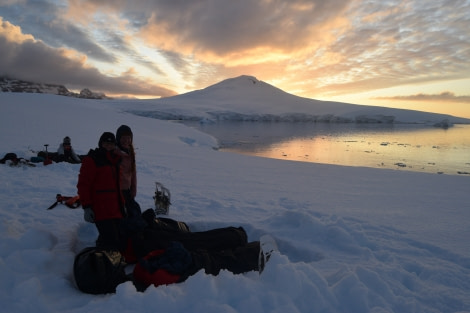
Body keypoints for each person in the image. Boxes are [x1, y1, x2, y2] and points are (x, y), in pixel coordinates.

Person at [77, 132, 127, 251]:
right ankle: (104, 263)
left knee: (119, 239)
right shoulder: (92, 159)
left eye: (111, 144)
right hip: (101, 209)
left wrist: (122, 203)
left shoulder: (116, 161)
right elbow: (83, 185)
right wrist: (87, 207)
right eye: (106, 143)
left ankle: (106, 260)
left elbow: (118, 187)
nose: (108, 146)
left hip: (115, 208)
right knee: (111, 241)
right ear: (100, 144)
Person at [115, 125, 139, 218]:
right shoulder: (115, 153)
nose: (126, 140)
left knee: (135, 212)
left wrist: (133, 189)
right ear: (118, 139)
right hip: (117, 192)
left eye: (129, 138)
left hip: (127, 191)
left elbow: (133, 173)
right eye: (123, 138)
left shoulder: (130, 153)